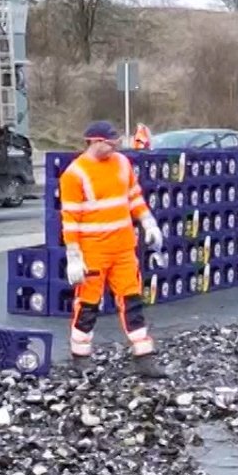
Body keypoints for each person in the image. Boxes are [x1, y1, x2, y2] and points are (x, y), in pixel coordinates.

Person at [59, 120, 167, 377]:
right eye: (110, 144)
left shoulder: (121, 163)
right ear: (95, 142)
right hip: (94, 252)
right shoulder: (75, 174)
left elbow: (134, 197)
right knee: (87, 305)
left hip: (123, 249)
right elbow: (70, 219)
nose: (115, 148)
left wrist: (148, 223)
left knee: (132, 301)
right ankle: (80, 356)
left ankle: (144, 357)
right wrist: (74, 257)